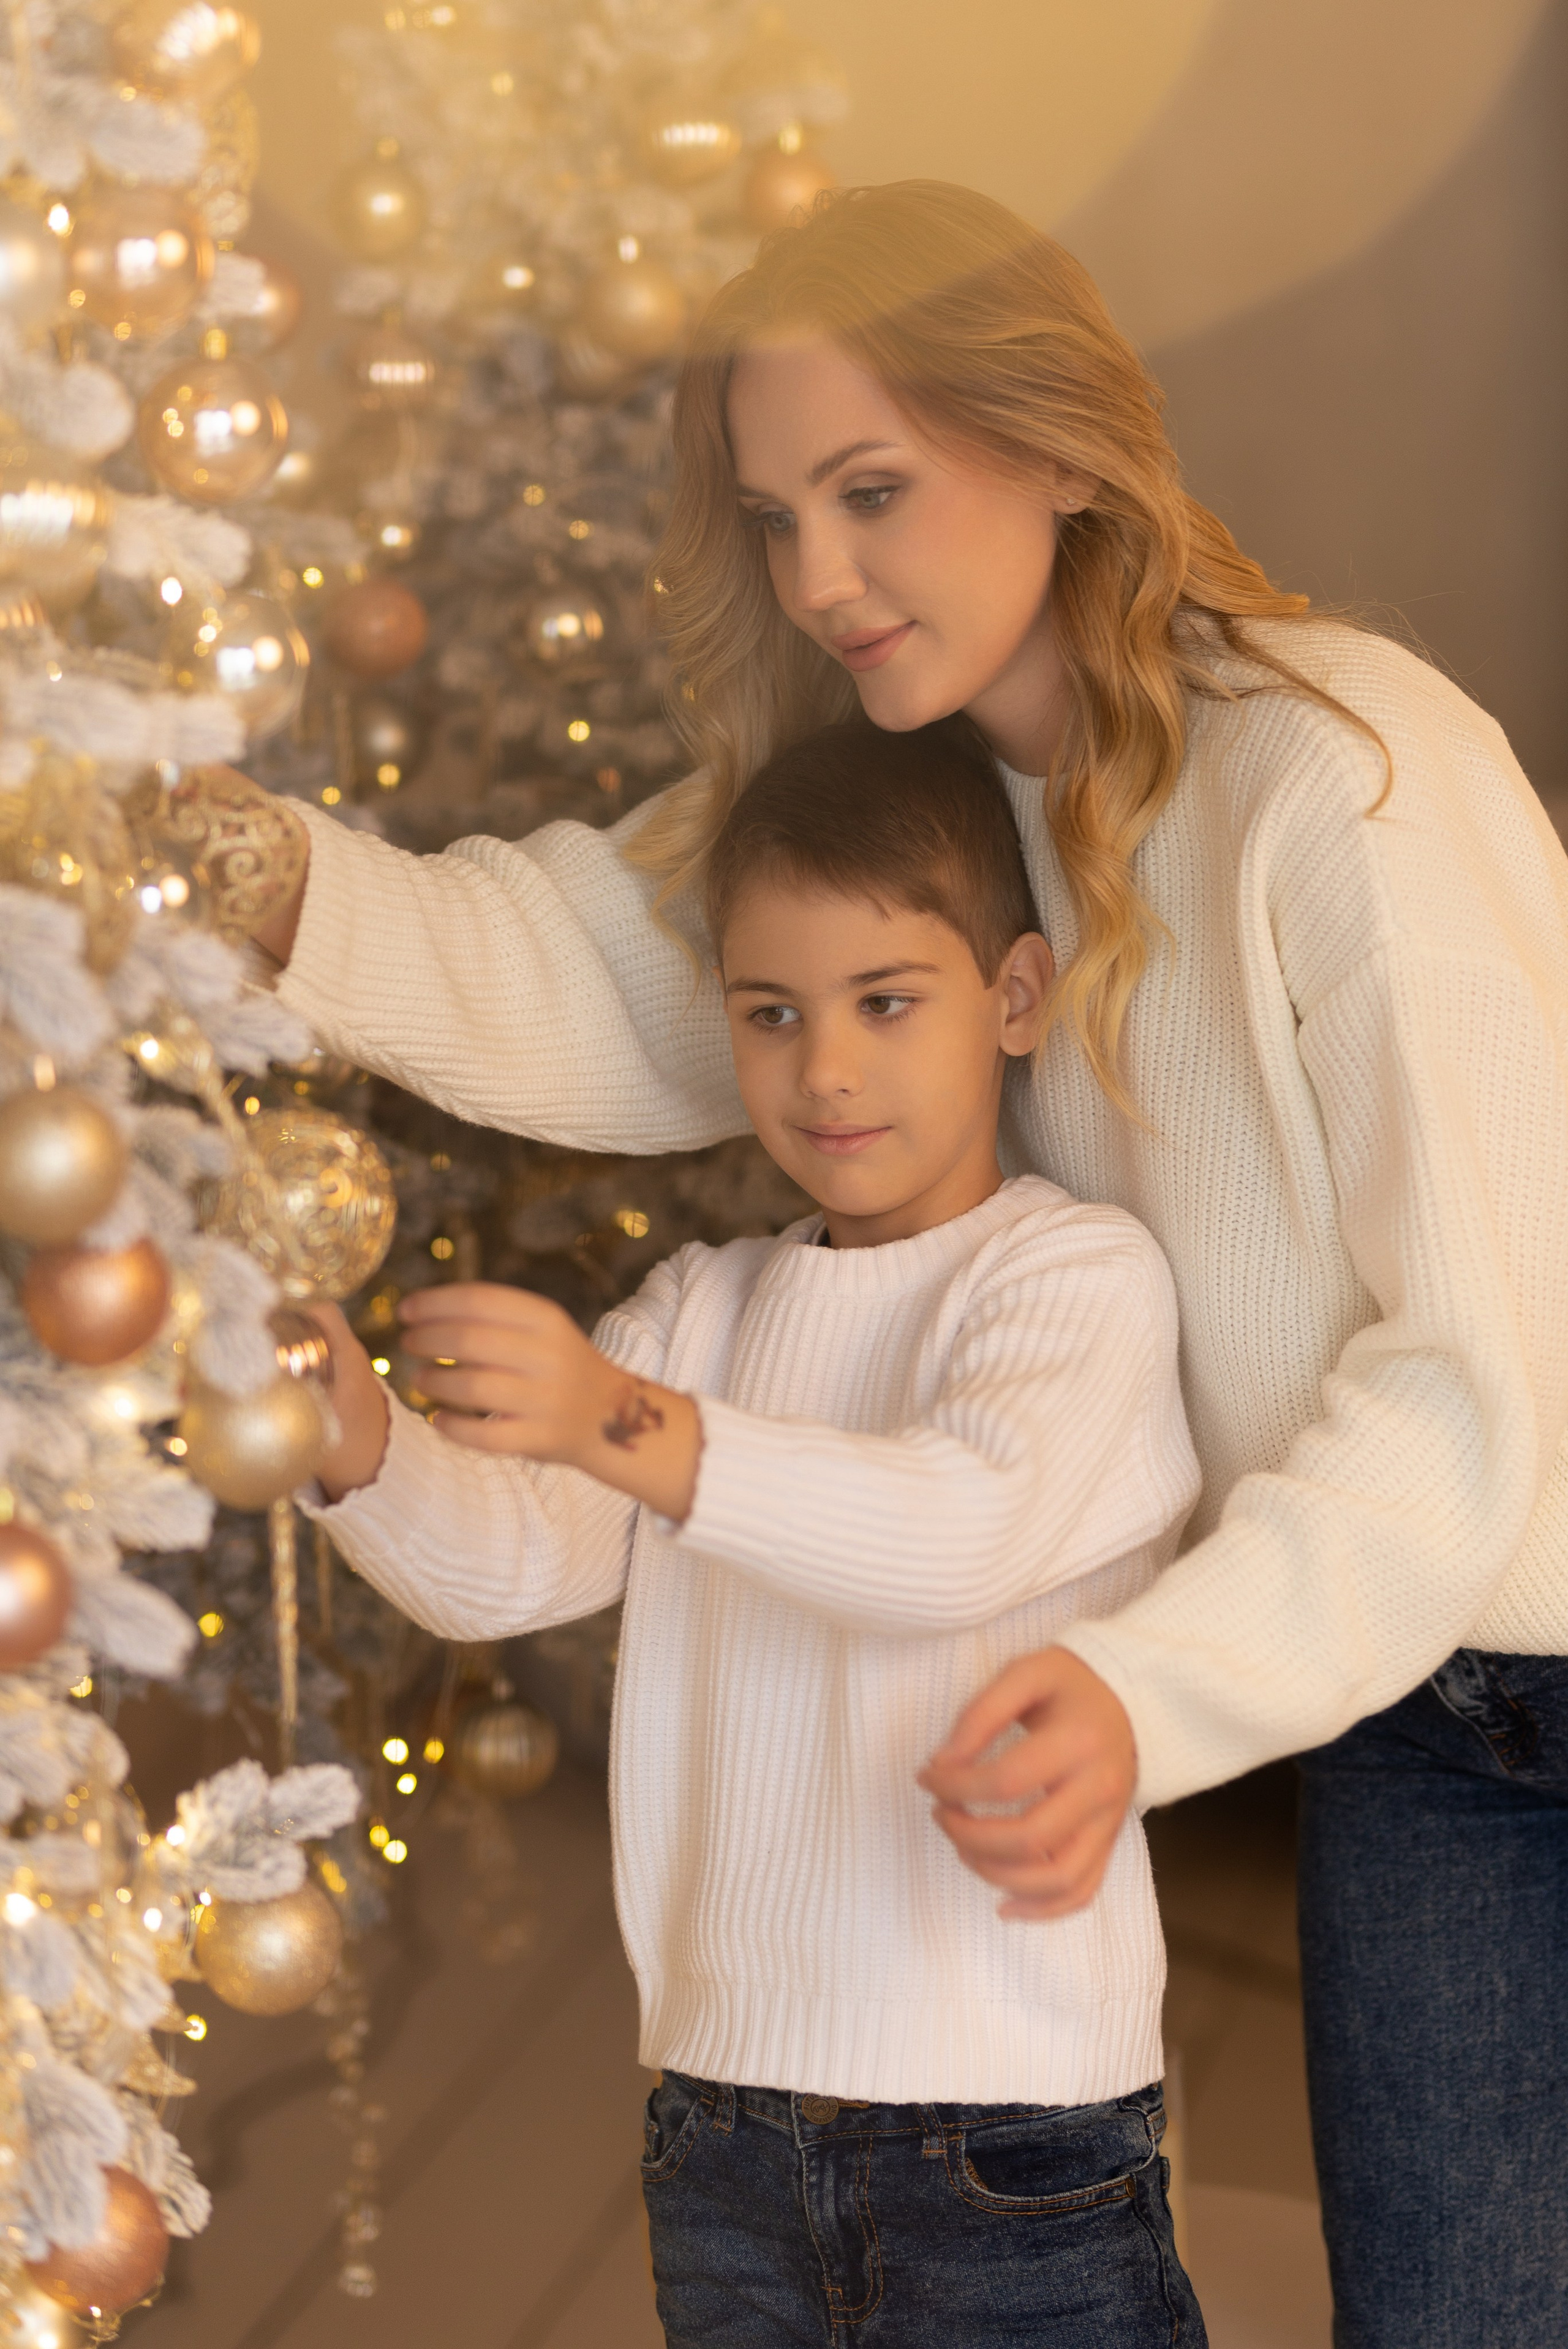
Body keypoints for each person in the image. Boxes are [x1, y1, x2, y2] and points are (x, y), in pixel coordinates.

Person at [254, 182, 1568, 2345]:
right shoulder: (929, 811)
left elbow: (1473, 1394)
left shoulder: (1348, 770)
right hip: (1393, 1693)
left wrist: (1145, 1688)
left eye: (872, 493)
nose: (819, 579)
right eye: (778, 519)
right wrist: (255, 882)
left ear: (1059, 447)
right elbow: (607, 972)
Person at [303, 722, 1205, 2348]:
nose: (825, 1069)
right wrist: (351, 1436)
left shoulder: (1077, 1279)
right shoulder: (699, 1312)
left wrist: (617, 1420)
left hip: (1009, 2127)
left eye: (885, 1002)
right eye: (771, 1012)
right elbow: (507, 1562)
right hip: (722, 2127)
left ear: (1013, 996)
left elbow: (950, 1528)